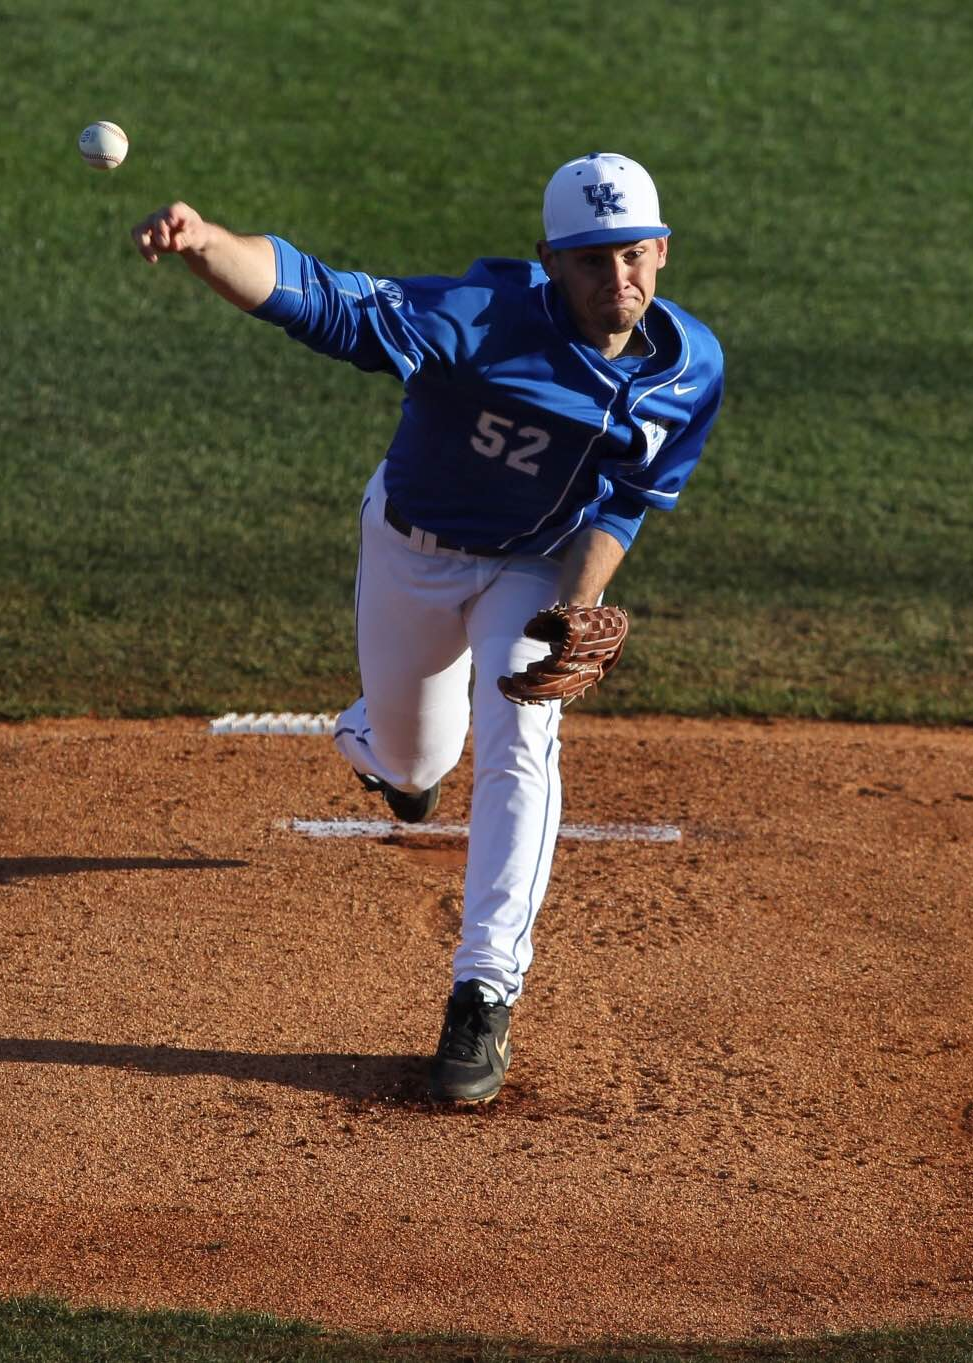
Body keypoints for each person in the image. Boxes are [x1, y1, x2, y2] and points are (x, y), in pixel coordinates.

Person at [132, 152, 724, 1104]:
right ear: (549, 261)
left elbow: (629, 499)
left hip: (534, 567)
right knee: (414, 764)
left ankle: (484, 990)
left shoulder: (690, 369)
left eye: (630, 256)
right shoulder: (479, 318)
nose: (615, 280)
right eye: (588, 261)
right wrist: (207, 247)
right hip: (414, 550)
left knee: (522, 736)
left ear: (661, 249)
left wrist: (575, 604)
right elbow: (328, 303)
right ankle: (374, 747)